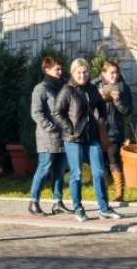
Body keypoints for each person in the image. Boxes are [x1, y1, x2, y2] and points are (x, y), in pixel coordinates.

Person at [53, 58, 122, 222]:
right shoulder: (67, 90)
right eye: (79, 72)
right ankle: (78, 208)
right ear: (73, 73)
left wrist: (102, 119)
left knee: (99, 172)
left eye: (85, 72)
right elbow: (57, 112)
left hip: (92, 138)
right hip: (73, 139)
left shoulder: (92, 88)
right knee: (76, 174)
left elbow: (101, 105)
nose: (82, 75)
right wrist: (70, 128)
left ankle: (104, 208)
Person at [28, 56, 71, 216]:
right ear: (47, 70)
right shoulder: (41, 88)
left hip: (63, 137)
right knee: (44, 168)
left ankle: (57, 202)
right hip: (48, 137)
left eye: (61, 69)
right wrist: (51, 127)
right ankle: (33, 202)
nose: (60, 72)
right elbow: (36, 112)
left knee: (59, 170)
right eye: (56, 69)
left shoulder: (61, 88)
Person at [92, 60, 134, 202]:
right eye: (112, 73)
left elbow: (127, 110)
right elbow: (86, 106)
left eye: (117, 72)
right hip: (96, 129)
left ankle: (119, 193)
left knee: (113, 160)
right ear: (103, 74)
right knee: (99, 162)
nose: (115, 75)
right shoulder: (93, 85)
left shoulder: (123, 87)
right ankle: (102, 193)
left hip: (114, 130)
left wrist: (117, 101)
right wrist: (97, 96)